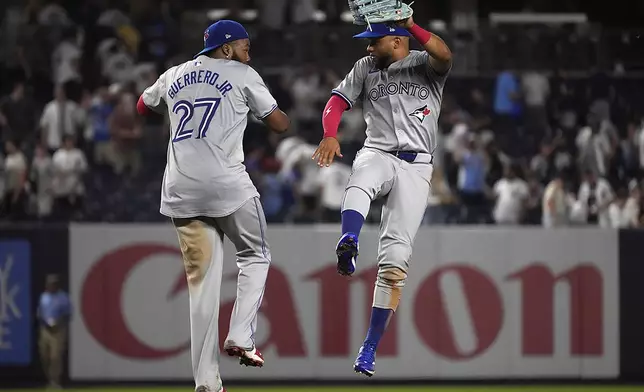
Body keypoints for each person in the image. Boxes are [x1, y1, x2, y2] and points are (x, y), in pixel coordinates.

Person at [137, 20, 290, 392]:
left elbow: (142, 106)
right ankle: (241, 335)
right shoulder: (241, 72)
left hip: (180, 190)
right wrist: (252, 110)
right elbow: (280, 124)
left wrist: (176, 107)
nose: (248, 52)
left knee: (201, 287)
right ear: (225, 49)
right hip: (225, 186)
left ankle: (206, 383)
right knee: (255, 254)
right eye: (244, 45)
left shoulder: (174, 74)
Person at [312, 17, 452, 377]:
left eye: (374, 41)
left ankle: (369, 347)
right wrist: (330, 133)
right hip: (380, 151)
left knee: (395, 262)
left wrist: (411, 23)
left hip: (418, 167)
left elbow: (445, 53)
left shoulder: (423, 62)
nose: (368, 47)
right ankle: (349, 239)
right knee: (361, 177)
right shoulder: (365, 67)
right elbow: (336, 102)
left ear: (396, 40)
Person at [37, 274, 72, 389]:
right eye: (50, 284)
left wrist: (58, 323)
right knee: (44, 356)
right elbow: (40, 313)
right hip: (45, 330)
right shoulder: (44, 297)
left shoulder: (63, 297)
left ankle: (55, 382)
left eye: (54, 284)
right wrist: (45, 323)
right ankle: (49, 379)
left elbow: (68, 314)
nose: (52, 286)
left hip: (58, 330)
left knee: (55, 357)